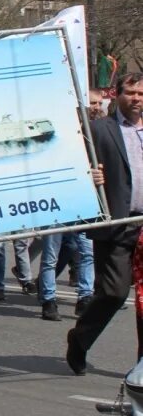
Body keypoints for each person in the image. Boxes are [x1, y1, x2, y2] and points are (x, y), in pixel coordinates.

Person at [68, 75, 143, 374]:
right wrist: (90, 177)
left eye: (141, 93)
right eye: (130, 93)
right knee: (113, 292)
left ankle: (141, 367)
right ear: (118, 96)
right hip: (118, 225)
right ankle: (80, 339)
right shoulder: (100, 130)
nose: (136, 98)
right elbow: (76, 169)